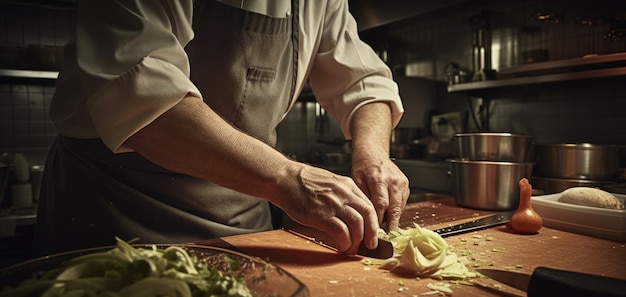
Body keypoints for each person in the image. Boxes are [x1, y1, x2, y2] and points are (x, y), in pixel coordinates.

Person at [33, 0, 409, 257]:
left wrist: (374, 153)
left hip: (244, 217)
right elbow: (142, 97)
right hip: (120, 208)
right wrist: (289, 179)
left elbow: (363, 79)